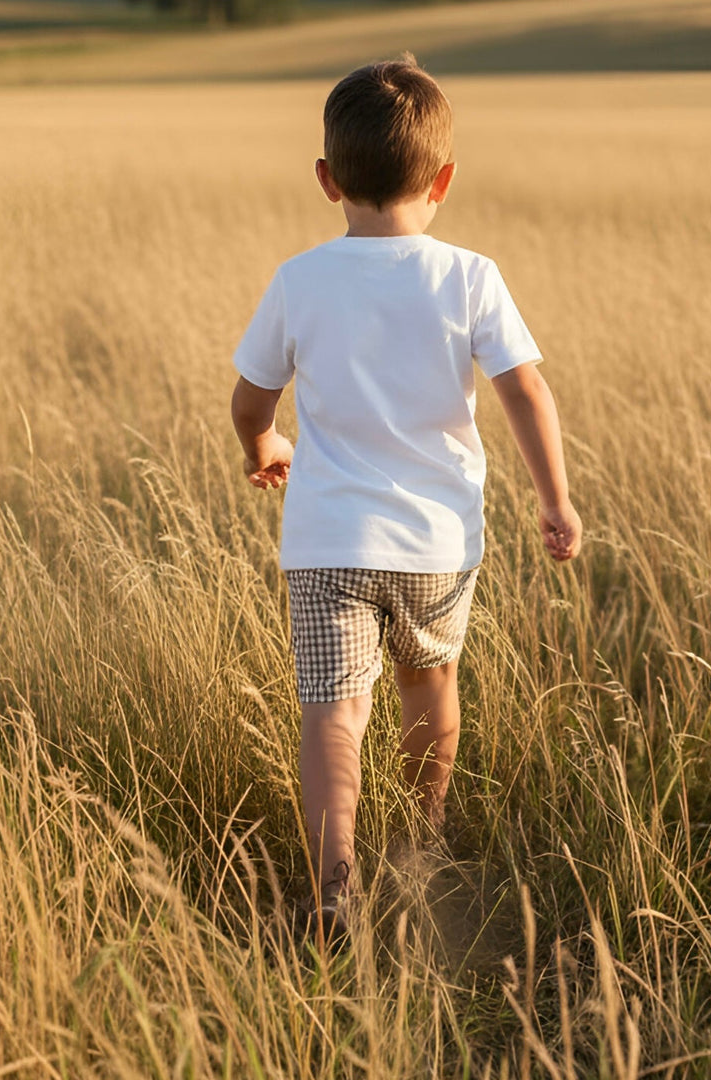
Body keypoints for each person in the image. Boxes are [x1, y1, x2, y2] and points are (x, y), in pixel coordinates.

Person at [230, 53, 582, 943]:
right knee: (431, 687)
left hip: (326, 545)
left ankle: (334, 889)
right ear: (446, 180)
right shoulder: (470, 276)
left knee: (334, 715)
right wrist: (556, 498)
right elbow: (526, 393)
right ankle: (423, 840)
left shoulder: (299, 279)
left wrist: (263, 444)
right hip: (437, 545)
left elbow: (250, 398)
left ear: (326, 180)